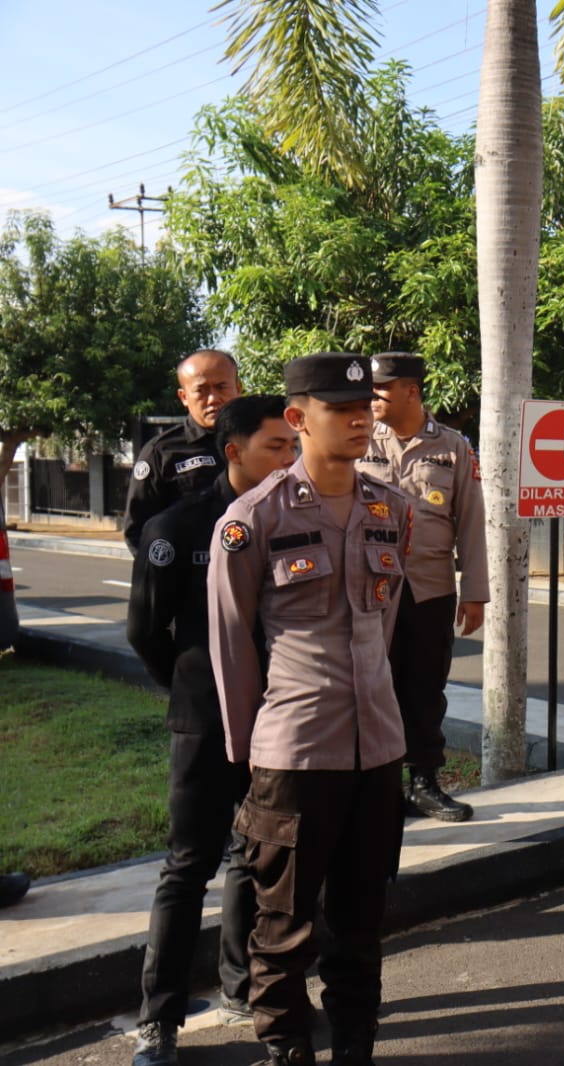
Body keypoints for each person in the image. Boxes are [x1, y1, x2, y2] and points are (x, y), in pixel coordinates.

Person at [209, 353, 414, 1066]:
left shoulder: (392, 507)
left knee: (361, 922)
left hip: (377, 750)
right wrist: (247, 755)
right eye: (340, 408)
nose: (361, 419)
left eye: (366, 407)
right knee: (283, 928)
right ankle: (288, 1053)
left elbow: (382, 626)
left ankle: (355, 1046)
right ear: (298, 419)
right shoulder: (251, 519)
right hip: (294, 753)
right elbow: (232, 643)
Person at [126, 396, 296, 1066]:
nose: (289, 458)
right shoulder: (180, 525)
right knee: (188, 866)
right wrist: (194, 686)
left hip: (280, 722)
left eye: (291, 446)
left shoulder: (295, 518)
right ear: (234, 451)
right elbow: (145, 630)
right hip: (204, 720)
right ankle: (158, 1022)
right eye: (275, 447)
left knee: (257, 863)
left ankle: (243, 989)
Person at [357, 353, 488, 823]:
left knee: (426, 688)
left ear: (411, 391)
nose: (371, 398)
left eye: (381, 390)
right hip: (371, 589)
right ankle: (381, 786)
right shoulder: (359, 441)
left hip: (430, 588)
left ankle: (425, 783)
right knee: (376, 686)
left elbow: (471, 520)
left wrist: (475, 591)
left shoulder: (452, 447)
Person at [124, 350, 241, 551]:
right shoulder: (161, 453)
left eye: (222, 387)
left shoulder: (259, 442)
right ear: (184, 396)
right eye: (201, 390)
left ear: (238, 388)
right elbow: (138, 530)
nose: (213, 398)